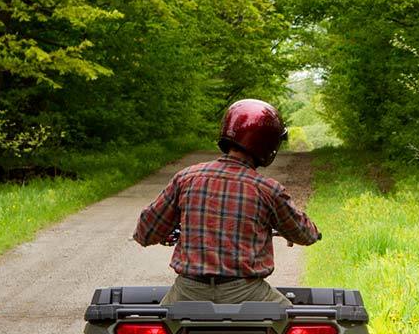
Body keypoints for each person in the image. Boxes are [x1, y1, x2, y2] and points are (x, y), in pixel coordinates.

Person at [133, 99, 320, 305]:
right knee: (291, 327)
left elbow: (145, 232)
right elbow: (305, 234)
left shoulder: (186, 178)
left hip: (188, 292)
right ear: (268, 143)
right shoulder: (268, 189)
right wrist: (309, 231)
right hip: (248, 294)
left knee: (159, 330)